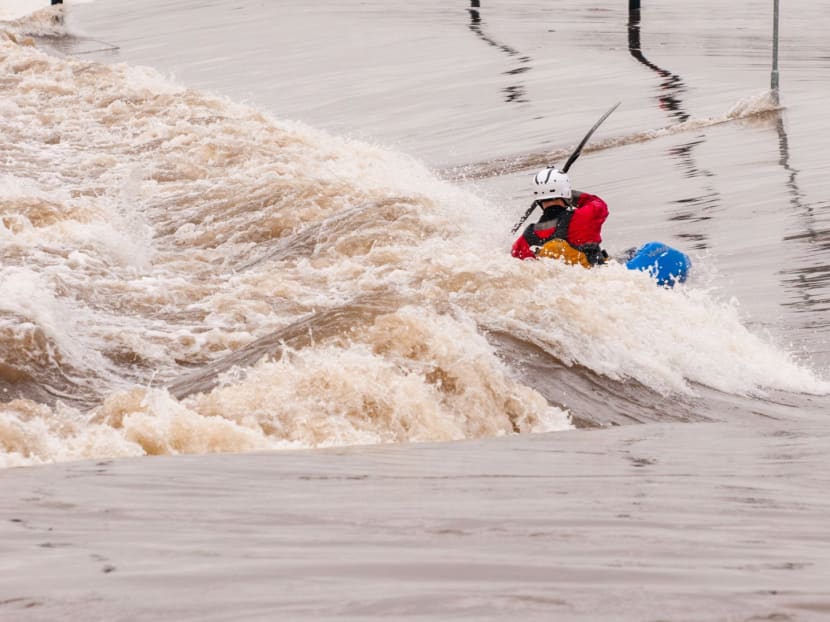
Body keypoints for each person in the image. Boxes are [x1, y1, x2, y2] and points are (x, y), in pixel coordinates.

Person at [511, 167, 609, 267]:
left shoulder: (528, 236)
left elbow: (515, 256)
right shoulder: (582, 217)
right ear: (566, 193)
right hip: (594, 273)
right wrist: (571, 194)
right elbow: (599, 204)